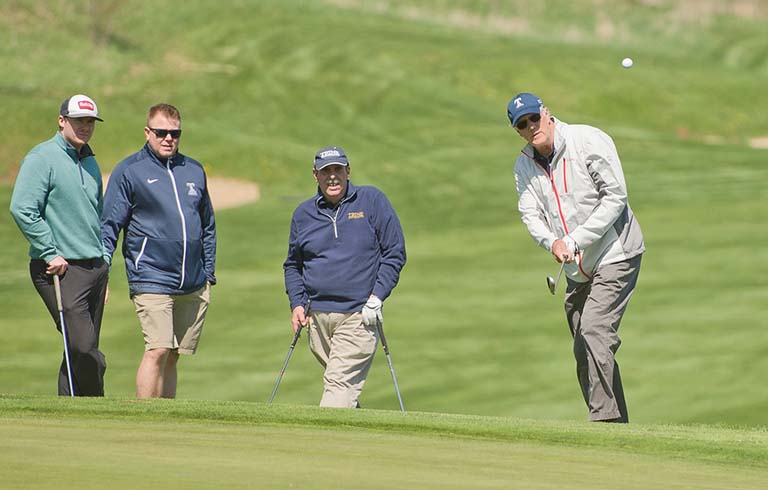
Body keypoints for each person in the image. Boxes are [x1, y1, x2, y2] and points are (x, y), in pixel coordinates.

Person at [508, 92, 645, 423]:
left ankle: (604, 423)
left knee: (595, 330)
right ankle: (616, 423)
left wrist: (572, 239)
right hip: (576, 268)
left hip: (616, 251)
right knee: (584, 348)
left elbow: (615, 198)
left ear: (546, 113)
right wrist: (551, 242)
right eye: (522, 125)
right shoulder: (523, 165)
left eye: (533, 118)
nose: (530, 127)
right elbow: (530, 212)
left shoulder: (587, 140)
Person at [101, 103, 216, 399]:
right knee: (158, 348)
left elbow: (207, 225)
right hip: (150, 274)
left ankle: (167, 418)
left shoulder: (193, 169)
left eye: (174, 133)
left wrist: (209, 272)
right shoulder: (130, 171)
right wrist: (101, 275)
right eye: (161, 132)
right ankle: (144, 419)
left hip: (191, 279)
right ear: (148, 132)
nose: (168, 138)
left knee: (174, 353)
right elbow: (109, 226)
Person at [283, 146, 406, 408]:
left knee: (337, 387)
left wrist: (377, 297)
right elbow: (293, 265)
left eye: (338, 169)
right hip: (317, 320)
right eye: (326, 171)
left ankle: (321, 447)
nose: (333, 177)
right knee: (344, 390)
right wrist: (296, 302)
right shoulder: (303, 215)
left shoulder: (371, 201)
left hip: (358, 315)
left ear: (348, 171)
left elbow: (394, 253)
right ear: (315, 175)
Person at [9, 94, 109, 396]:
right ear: (61, 120)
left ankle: (71, 411)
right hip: (60, 269)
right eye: (79, 120)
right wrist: (49, 251)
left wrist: (105, 261)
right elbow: (22, 208)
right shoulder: (42, 158)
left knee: (75, 348)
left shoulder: (90, 162)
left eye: (90, 122)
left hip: (95, 268)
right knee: (83, 346)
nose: (85, 127)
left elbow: (97, 216)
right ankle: (98, 409)